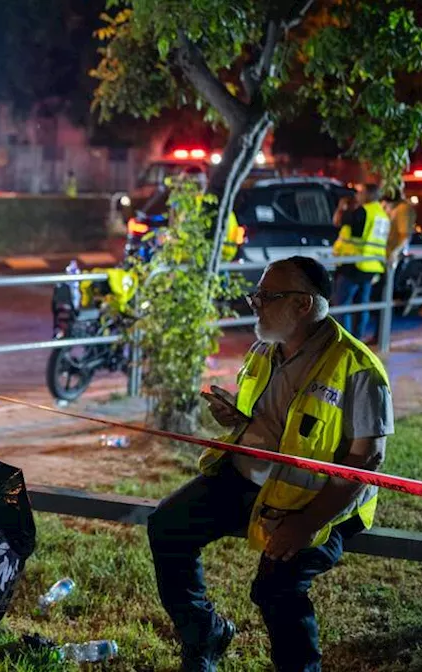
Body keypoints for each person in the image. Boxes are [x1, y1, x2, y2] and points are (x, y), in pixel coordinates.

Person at [147, 256, 393, 672]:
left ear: (303, 304)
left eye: (267, 295)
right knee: (167, 526)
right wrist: (235, 416)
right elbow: (268, 419)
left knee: (276, 588)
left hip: (314, 502)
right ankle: (204, 631)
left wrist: (307, 523)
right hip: (248, 480)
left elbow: (366, 461)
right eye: (256, 294)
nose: (255, 303)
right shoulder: (265, 348)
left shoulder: (358, 369)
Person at [331, 183, 390, 341]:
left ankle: (346, 340)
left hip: (355, 264)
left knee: (342, 304)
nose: (357, 195)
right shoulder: (382, 214)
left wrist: (342, 207)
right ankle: (358, 338)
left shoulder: (363, 212)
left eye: (360, 192)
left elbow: (340, 222)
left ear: (368, 195)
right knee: (362, 304)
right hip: (372, 265)